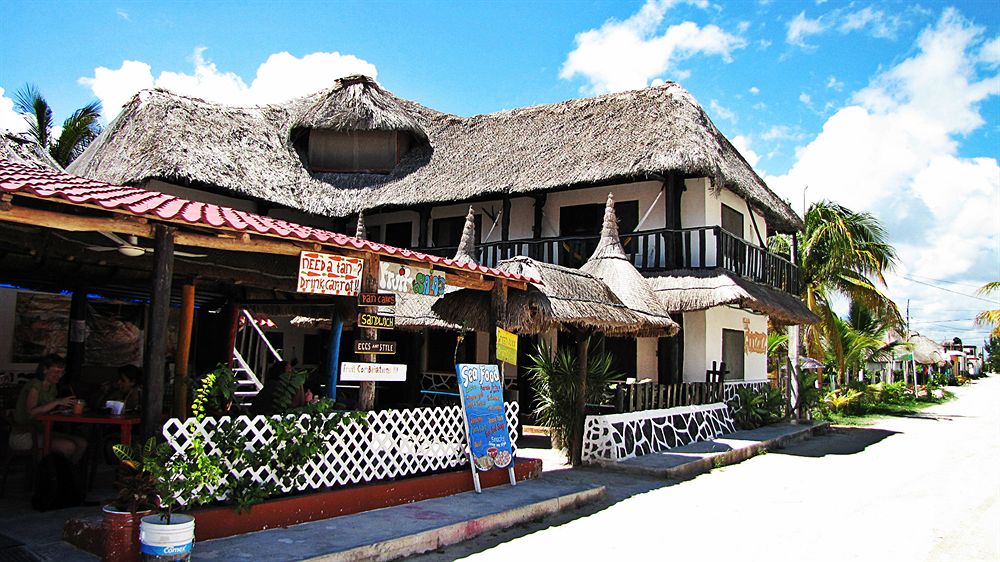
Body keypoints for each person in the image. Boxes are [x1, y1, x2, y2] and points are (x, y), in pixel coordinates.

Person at [10, 354, 88, 463]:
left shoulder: (52, 387)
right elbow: (32, 412)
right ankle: (50, 476)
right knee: (68, 446)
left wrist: (61, 408)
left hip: (42, 431)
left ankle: (66, 475)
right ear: (45, 370)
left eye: (62, 372)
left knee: (82, 443)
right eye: (56, 372)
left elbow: (48, 409)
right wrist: (57, 402)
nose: (59, 375)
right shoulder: (35, 386)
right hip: (24, 434)